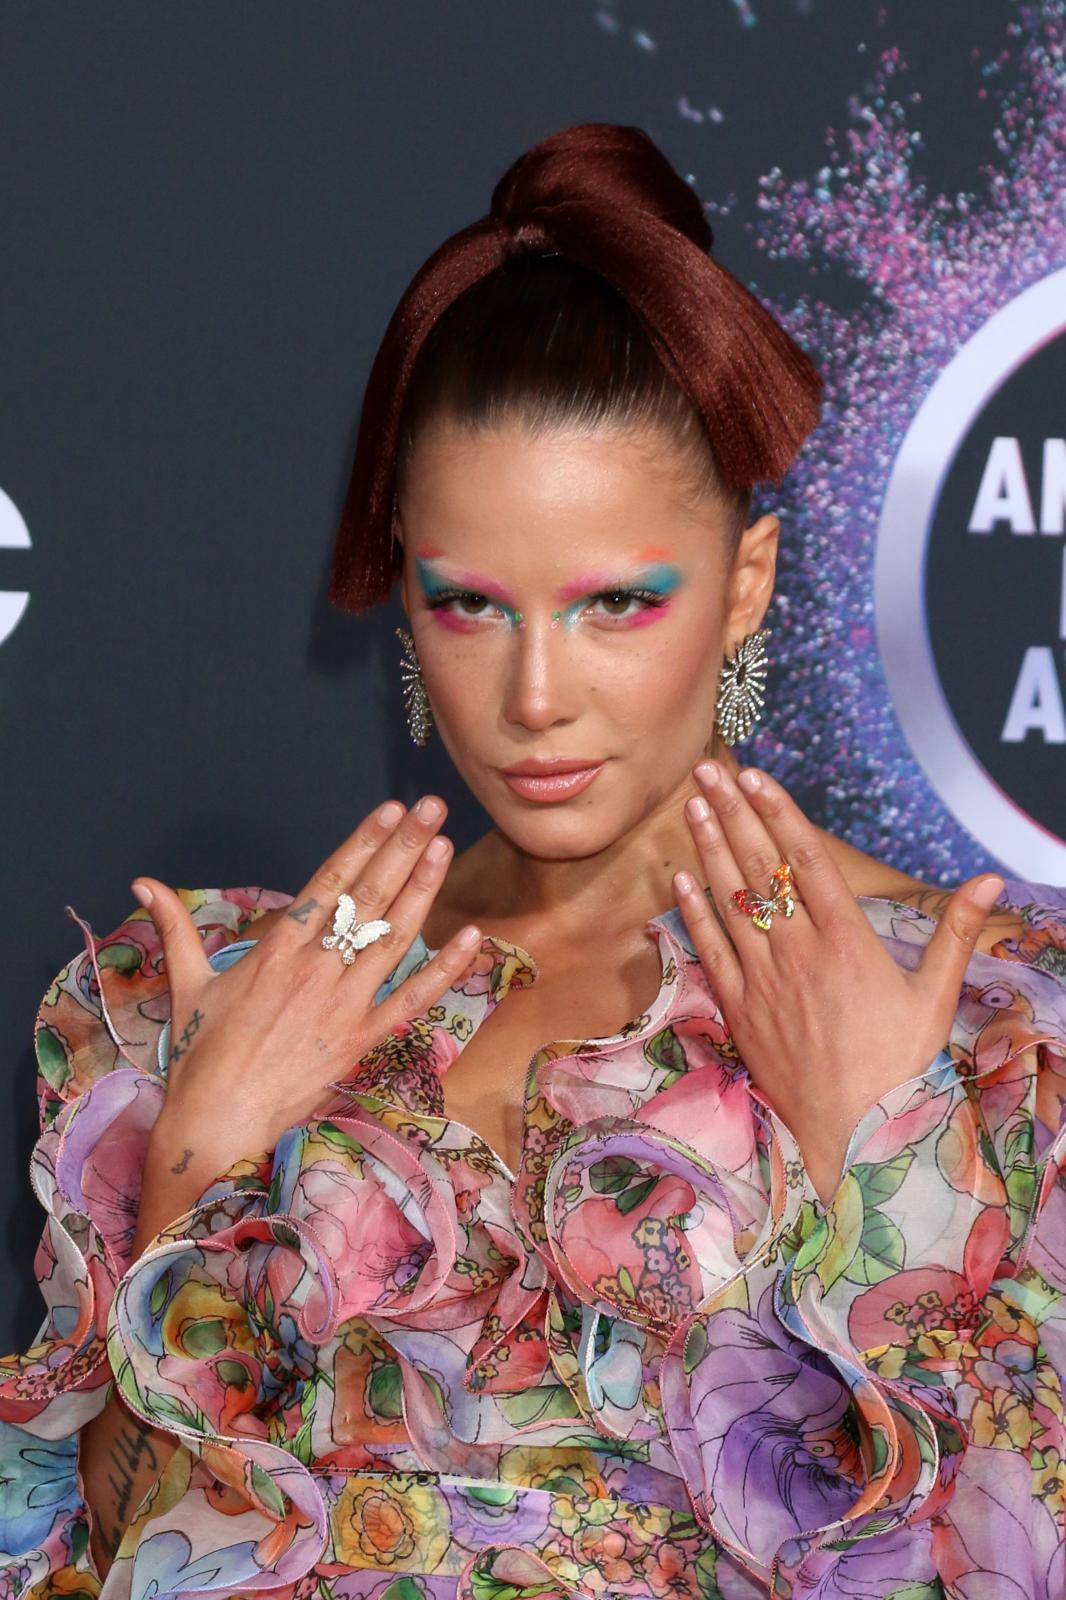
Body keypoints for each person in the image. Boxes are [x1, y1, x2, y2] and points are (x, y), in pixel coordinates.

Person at [1, 121, 1063, 1600]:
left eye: (617, 603)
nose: (536, 697)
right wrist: (196, 1169)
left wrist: (895, 1180)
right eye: (469, 606)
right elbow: (102, 1551)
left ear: (745, 584)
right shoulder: (226, 993)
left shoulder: (993, 1015)